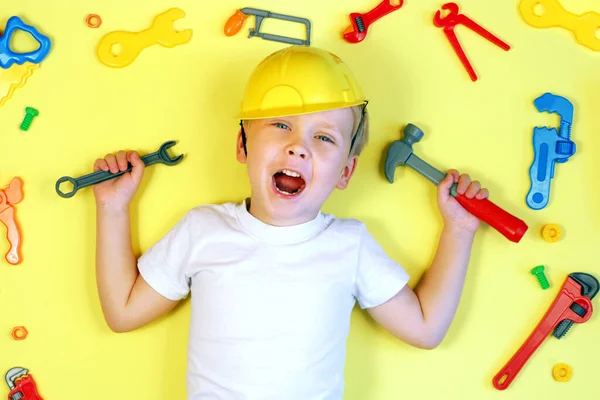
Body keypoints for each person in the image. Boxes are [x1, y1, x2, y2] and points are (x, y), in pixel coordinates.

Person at [93, 45, 489, 399]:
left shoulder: (350, 245)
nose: (297, 146)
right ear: (242, 146)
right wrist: (113, 208)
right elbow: (124, 313)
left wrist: (459, 230)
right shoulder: (202, 229)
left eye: (325, 138)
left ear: (346, 173)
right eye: (281, 125)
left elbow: (424, 329)